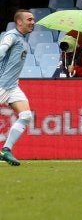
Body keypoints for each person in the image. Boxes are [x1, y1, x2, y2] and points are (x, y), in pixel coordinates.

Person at [0, 9, 35, 166]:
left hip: (12, 86)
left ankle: (6, 150)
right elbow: (1, 50)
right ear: (19, 22)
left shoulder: (23, 40)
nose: (33, 22)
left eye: (33, 19)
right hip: (1, 84)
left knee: (26, 115)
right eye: (29, 19)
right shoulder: (11, 36)